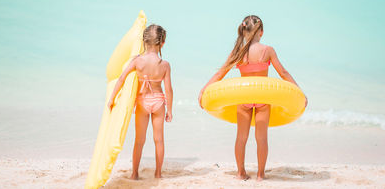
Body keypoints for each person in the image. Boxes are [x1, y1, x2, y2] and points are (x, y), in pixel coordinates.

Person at [198, 15, 307, 181]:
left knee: (241, 138)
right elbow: (283, 73)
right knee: (261, 138)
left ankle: (241, 173)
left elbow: (220, 73)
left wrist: (203, 91)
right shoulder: (267, 50)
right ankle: (261, 175)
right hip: (263, 99)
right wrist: (299, 92)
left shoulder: (239, 51)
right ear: (261, 32)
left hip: (244, 98)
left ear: (244, 30)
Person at [107, 24, 173, 179]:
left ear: (144, 42)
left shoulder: (137, 61)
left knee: (139, 140)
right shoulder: (164, 65)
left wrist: (112, 98)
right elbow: (169, 89)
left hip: (142, 102)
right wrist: (169, 110)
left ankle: (134, 174)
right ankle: (158, 173)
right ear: (162, 43)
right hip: (158, 102)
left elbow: (122, 78)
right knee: (159, 140)